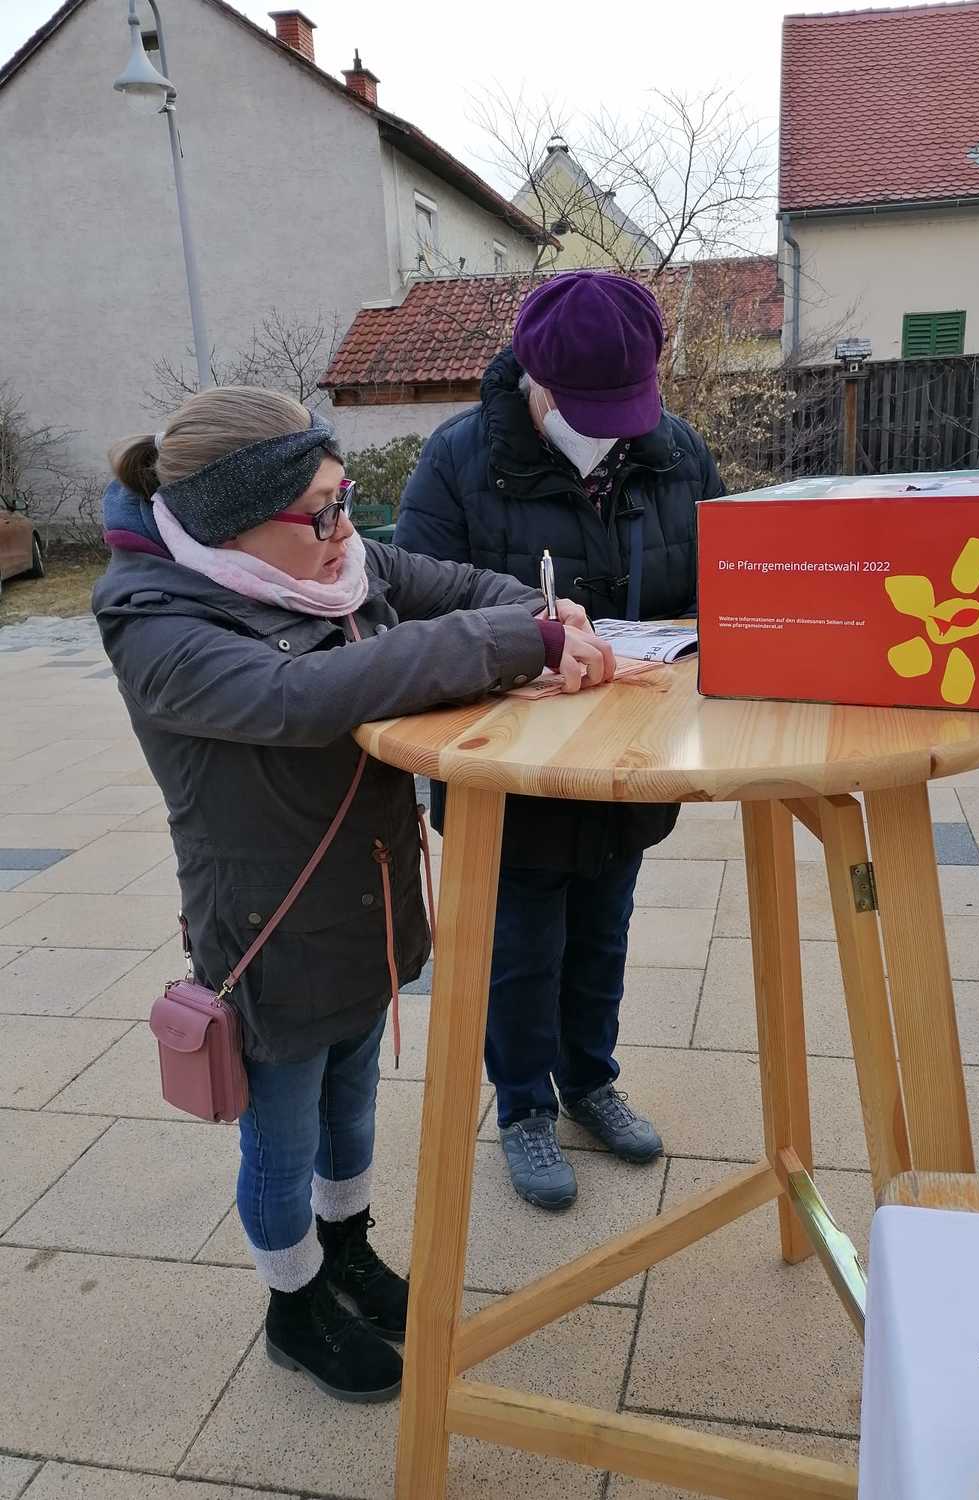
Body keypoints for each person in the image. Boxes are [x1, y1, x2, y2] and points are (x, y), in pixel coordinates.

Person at [93, 386, 613, 1404]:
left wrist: (540, 609)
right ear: (234, 523)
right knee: (282, 1137)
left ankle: (348, 1251)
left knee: (353, 1104)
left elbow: (455, 583)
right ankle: (294, 1304)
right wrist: (518, 644)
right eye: (321, 512)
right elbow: (305, 697)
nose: (346, 532)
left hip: (365, 902)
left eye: (345, 501)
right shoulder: (155, 620)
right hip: (268, 929)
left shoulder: (338, 565)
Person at [395, 271, 724, 1212]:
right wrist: (521, 651)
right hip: (511, 765)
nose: (609, 431)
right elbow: (413, 611)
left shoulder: (675, 452)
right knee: (520, 949)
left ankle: (589, 1081)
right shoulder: (458, 460)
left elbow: (723, 587)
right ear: (534, 380)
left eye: (625, 407)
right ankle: (523, 1107)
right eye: (587, 409)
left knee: (603, 934)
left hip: (628, 759)